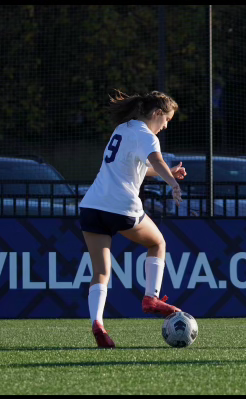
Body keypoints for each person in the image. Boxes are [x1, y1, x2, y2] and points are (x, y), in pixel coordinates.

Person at [79, 89, 187, 348]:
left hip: (92, 206)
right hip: (121, 207)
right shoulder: (146, 136)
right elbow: (156, 159)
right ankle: (151, 298)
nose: (165, 126)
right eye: (167, 120)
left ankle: (98, 324)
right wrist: (172, 182)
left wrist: (166, 172)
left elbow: (136, 166)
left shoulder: (123, 128)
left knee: (101, 272)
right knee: (157, 244)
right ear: (157, 113)